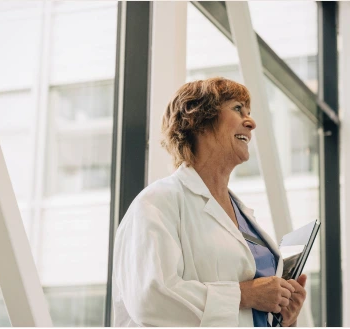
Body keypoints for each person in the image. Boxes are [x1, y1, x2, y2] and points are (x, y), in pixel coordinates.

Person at [112, 77, 307, 327]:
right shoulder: (157, 203)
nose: (251, 122)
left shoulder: (243, 214)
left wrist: (283, 317)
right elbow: (151, 298)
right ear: (199, 121)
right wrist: (245, 294)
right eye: (237, 109)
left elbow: (248, 313)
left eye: (249, 112)